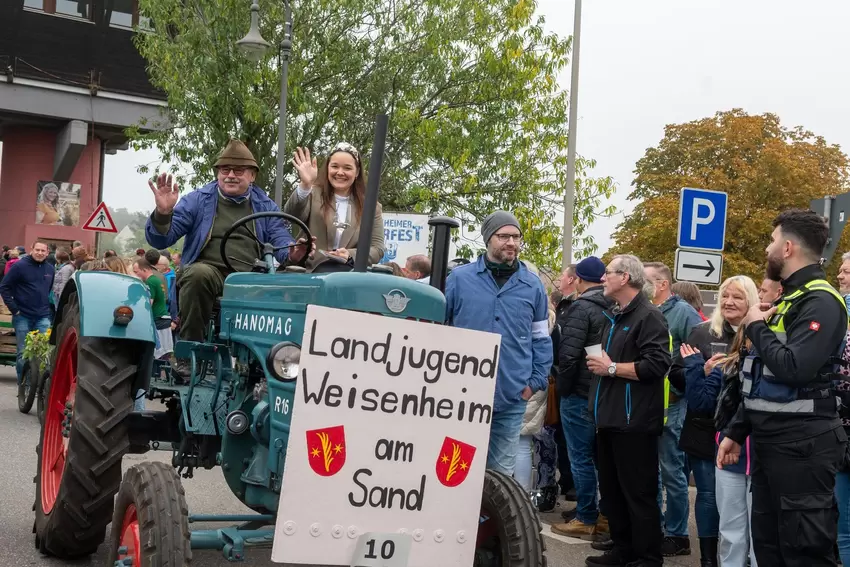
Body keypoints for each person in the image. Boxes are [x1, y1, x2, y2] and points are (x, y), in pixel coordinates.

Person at [717, 209, 849, 567]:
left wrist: (757, 325)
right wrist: (736, 430)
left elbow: (794, 368)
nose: (767, 249)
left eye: (772, 241)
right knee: (769, 548)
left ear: (788, 248)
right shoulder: (789, 300)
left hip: (804, 447)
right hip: (772, 443)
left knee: (805, 553)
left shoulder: (820, 300)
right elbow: (762, 380)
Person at [145, 140, 313, 376]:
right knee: (198, 274)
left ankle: (275, 364)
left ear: (252, 176)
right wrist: (163, 214)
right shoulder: (197, 200)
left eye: (238, 171)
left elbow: (281, 240)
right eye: (225, 170)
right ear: (218, 174)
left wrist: (294, 252)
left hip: (251, 278)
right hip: (209, 273)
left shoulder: (265, 205)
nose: (231, 175)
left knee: (289, 288)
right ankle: (189, 353)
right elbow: (162, 240)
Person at [445, 210, 552, 475]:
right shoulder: (459, 279)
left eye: (516, 237)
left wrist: (534, 383)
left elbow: (541, 338)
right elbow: (440, 330)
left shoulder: (532, 285)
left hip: (511, 394)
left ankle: (490, 519)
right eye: (503, 236)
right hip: (462, 395)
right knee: (457, 468)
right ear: (488, 239)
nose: (511, 243)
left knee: (501, 474)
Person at [583, 254, 670, 567]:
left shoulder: (650, 316)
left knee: (638, 494)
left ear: (626, 277)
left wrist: (611, 368)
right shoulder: (615, 315)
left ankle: (647, 556)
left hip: (635, 423)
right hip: (609, 418)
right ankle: (623, 549)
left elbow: (658, 365)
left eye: (609, 272)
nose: (603, 278)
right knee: (613, 492)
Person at [674, 275, 760, 567]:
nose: (729, 302)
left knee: (745, 505)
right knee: (710, 495)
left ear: (751, 300)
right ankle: (709, 559)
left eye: (737, 297)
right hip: (703, 428)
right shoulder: (701, 333)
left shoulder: (759, 334)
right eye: (725, 296)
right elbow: (677, 373)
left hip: (746, 435)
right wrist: (700, 372)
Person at [551, 256, 612, 540]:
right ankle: (603, 515)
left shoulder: (581, 308)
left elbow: (569, 355)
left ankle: (585, 516)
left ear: (578, 280)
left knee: (580, 457)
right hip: (603, 391)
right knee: (601, 458)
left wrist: (563, 387)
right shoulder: (613, 306)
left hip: (578, 392)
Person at [644, 261, 702, 557]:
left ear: (662, 284)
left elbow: (697, 355)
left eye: (646, 280)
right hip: (647, 403)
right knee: (650, 471)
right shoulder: (645, 308)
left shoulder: (682, 313)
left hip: (673, 405)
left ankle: (678, 534)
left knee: (672, 470)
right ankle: (654, 528)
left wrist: (678, 387)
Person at [286, 144, 385, 271]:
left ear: (357, 172)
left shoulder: (371, 207)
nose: (340, 172)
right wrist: (305, 184)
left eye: (347, 168)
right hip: (310, 274)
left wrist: (350, 255)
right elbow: (291, 214)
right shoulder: (312, 194)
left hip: (348, 276)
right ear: (327, 168)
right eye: (334, 166)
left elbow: (377, 248)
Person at [0, 240, 54, 383]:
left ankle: (39, 385)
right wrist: (14, 309)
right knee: (24, 353)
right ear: (31, 250)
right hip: (22, 316)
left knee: (42, 353)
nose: (40, 253)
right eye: (37, 250)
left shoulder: (50, 269)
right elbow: (4, 287)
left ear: (47, 252)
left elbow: (47, 290)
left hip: (42, 317)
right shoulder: (19, 266)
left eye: (43, 251)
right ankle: (25, 385)